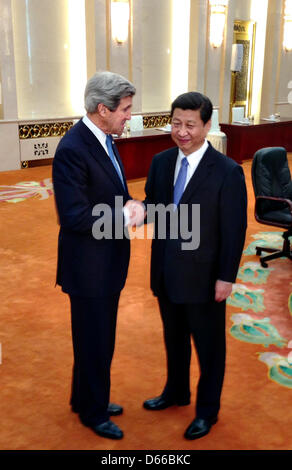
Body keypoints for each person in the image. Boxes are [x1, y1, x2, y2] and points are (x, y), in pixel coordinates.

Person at [143, 91, 247, 440]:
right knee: (173, 339)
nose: (181, 131)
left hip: (205, 278)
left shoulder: (227, 171)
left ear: (206, 126)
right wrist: (128, 211)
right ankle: (176, 392)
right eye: (176, 123)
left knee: (209, 348)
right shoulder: (160, 161)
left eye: (190, 124)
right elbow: (153, 206)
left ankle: (207, 411)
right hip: (166, 271)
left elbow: (234, 230)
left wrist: (225, 278)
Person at [52, 71, 144, 440]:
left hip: (106, 262)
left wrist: (130, 208)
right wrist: (125, 214)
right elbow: (73, 215)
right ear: (102, 109)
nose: (128, 116)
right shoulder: (74, 148)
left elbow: (110, 194)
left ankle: (83, 398)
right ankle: (93, 412)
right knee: (95, 339)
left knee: (97, 337)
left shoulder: (105, 138)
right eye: (124, 110)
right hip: (88, 267)